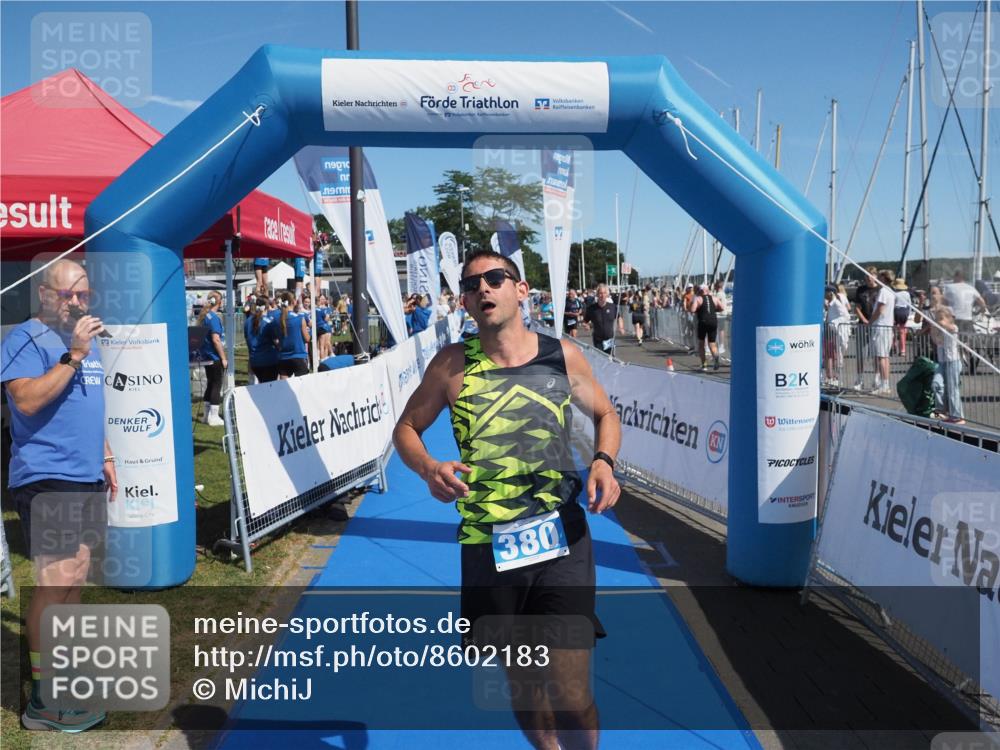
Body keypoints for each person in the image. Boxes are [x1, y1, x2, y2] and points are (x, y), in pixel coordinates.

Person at [392, 249, 621, 750]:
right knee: (523, 681)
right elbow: (406, 429)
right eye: (471, 285)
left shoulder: (561, 355)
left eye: (495, 278)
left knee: (568, 685)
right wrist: (429, 466)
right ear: (465, 303)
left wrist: (604, 461)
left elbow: (606, 412)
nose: (483, 289)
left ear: (521, 290)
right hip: (489, 545)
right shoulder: (451, 365)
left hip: (561, 535)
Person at [1, 258, 116, 732]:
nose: (75, 302)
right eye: (66, 294)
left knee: (75, 578)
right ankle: (44, 704)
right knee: (54, 581)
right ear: (45, 295)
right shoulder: (25, 339)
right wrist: (73, 356)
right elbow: (25, 399)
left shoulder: (85, 342)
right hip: (48, 476)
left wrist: (105, 456)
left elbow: (89, 406)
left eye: (82, 294)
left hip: (84, 474)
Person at [196, 292, 226, 426]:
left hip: (207, 356)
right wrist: (223, 358)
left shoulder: (205, 316)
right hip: (214, 356)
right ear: (218, 302)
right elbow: (216, 339)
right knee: (216, 385)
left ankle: (207, 415)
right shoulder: (213, 317)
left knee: (210, 384)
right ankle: (213, 417)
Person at [268, 291, 310, 378]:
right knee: (302, 388)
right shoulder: (299, 318)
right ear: (293, 302)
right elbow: (307, 339)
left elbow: (273, 337)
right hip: (298, 356)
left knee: (284, 389)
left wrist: (279, 345)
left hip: (283, 357)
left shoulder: (276, 318)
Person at [869, 270, 896, 396]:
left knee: (881, 356)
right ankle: (885, 383)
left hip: (881, 326)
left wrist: (870, 321)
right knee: (885, 356)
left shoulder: (884, 291)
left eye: (879, 277)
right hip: (887, 326)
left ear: (883, 278)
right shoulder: (890, 291)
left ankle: (884, 385)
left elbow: (880, 309)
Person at [853, 269, 880, 391]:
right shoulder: (860, 290)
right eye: (866, 276)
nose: (868, 278)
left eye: (871, 276)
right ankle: (859, 379)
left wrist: (872, 321)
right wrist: (864, 320)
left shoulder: (880, 290)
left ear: (875, 276)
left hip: (877, 325)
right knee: (861, 354)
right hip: (862, 325)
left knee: (876, 353)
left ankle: (877, 378)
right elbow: (857, 307)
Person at [690, 284, 725, 371]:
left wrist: (697, 306)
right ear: (708, 290)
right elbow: (722, 308)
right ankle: (716, 356)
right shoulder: (714, 298)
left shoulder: (698, 299)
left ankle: (704, 364)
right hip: (713, 321)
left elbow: (693, 310)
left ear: (701, 291)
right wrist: (714, 310)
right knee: (712, 343)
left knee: (701, 344)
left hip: (703, 322)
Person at [244, 296, 279, 383]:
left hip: (255, 361)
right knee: (269, 390)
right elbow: (276, 342)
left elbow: (247, 340)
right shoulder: (268, 322)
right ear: (267, 306)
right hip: (268, 361)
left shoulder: (248, 321)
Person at [584, 283, 623, 357]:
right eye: (600, 293)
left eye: (605, 293)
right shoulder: (592, 309)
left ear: (607, 294)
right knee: (601, 359)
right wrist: (586, 326)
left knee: (610, 359)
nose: (602, 295)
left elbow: (619, 317)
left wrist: (621, 328)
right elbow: (585, 321)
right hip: (598, 340)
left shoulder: (612, 307)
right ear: (597, 294)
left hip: (610, 339)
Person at [823, 285, 851, 387]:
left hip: (833, 332)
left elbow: (846, 316)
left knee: (832, 355)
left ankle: (834, 377)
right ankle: (830, 377)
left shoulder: (837, 304)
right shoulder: (831, 304)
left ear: (831, 293)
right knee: (828, 354)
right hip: (829, 332)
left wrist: (832, 323)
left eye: (825, 292)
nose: (824, 295)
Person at [892, 277, 912, 356]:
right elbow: (909, 304)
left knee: (893, 330)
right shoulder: (907, 294)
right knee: (902, 331)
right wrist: (908, 314)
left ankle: (893, 346)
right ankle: (902, 350)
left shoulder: (894, 293)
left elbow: (892, 304)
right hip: (904, 312)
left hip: (896, 311)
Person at [315, 293, 334, 361]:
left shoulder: (328, 308)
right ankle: (323, 358)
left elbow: (328, 319)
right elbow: (326, 318)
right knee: (321, 344)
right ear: (318, 299)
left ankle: (326, 358)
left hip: (327, 327)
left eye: (324, 299)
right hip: (321, 327)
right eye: (321, 299)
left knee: (327, 343)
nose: (322, 300)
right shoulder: (316, 308)